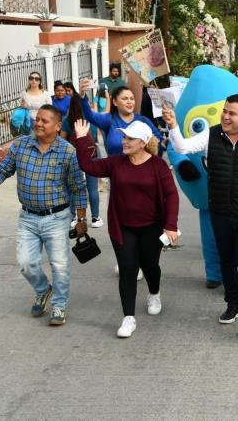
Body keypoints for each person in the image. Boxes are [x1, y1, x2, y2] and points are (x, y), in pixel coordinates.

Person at [166, 94, 238, 336]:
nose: (226, 117)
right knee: (226, 262)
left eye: (232, 113)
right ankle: (233, 304)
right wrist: (174, 127)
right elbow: (182, 147)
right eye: (225, 112)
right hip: (219, 211)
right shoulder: (211, 134)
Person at [0, 105, 87, 326]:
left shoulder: (67, 151)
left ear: (57, 126)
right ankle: (43, 289)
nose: (38, 123)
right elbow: (2, 170)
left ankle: (59, 305)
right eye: (37, 119)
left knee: (60, 264)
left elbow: (77, 187)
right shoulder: (21, 145)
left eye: (44, 121)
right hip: (27, 217)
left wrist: (81, 219)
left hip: (57, 217)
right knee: (26, 263)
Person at [73, 119, 179, 338]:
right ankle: (128, 318)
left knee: (150, 266)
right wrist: (82, 138)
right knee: (128, 270)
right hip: (123, 228)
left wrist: (170, 226)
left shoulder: (158, 165)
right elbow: (88, 166)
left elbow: (171, 195)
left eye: (130, 138)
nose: (124, 141)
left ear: (143, 142)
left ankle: (154, 293)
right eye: (124, 137)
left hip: (151, 227)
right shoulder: (115, 163)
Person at [78, 81, 162, 156]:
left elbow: (160, 141)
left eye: (132, 98)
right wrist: (82, 94)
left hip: (141, 171)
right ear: (115, 102)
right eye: (125, 99)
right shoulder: (109, 120)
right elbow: (89, 115)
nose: (129, 101)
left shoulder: (143, 120)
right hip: (115, 171)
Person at [60, 93, 103, 229]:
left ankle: (74, 217)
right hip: (92, 155)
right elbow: (95, 137)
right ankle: (95, 218)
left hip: (74, 157)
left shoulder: (67, 121)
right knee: (93, 188)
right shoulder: (90, 120)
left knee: (74, 189)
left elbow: (62, 140)